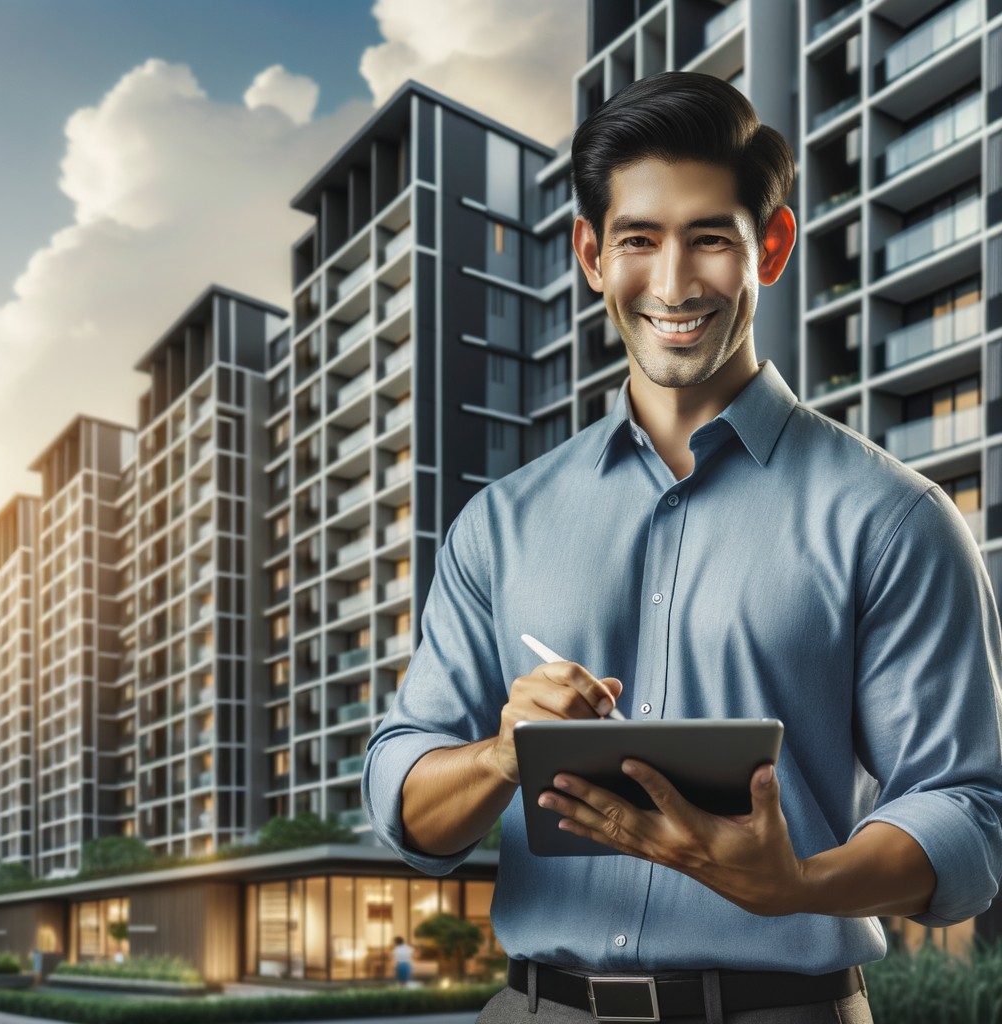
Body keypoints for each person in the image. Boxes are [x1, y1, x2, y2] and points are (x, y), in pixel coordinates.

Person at [363, 72, 1002, 1024]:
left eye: (709, 237)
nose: (671, 284)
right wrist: (500, 756)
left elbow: (966, 815)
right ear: (591, 253)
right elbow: (403, 791)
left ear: (770, 247)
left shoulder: (893, 519)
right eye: (637, 240)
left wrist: (801, 882)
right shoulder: (499, 524)